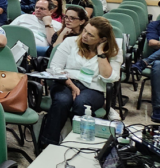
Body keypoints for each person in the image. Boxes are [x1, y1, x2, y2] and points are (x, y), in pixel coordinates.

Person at [41, 17, 121, 146]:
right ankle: (48, 144)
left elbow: (110, 77)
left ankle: (78, 145)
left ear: (103, 39)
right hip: (65, 82)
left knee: (82, 103)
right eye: (85, 31)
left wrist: (101, 53)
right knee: (62, 101)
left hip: (93, 88)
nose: (84, 36)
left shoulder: (114, 51)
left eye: (90, 35)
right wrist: (71, 85)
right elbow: (54, 68)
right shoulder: (70, 42)